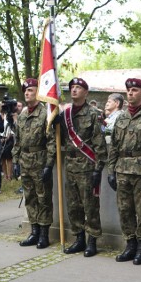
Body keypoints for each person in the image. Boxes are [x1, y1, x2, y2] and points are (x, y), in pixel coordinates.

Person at [107, 77, 141, 265]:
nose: (130, 93)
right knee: (124, 210)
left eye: (135, 90)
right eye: (129, 90)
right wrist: (110, 171)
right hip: (122, 170)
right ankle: (130, 245)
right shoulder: (121, 117)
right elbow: (114, 146)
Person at [60, 77, 106, 257]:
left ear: (86, 92)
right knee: (73, 206)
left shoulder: (94, 114)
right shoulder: (65, 114)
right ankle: (78, 239)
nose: (74, 90)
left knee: (90, 206)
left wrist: (98, 168)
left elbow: (99, 143)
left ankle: (92, 240)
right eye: (72, 87)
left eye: (78, 87)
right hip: (70, 165)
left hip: (87, 165)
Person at [13, 78, 56, 248]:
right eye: (26, 90)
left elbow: (51, 141)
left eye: (30, 90)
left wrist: (49, 164)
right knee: (30, 198)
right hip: (25, 161)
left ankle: (44, 234)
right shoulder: (23, 115)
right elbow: (17, 140)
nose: (27, 93)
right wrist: (16, 161)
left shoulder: (45, 113)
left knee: (43, 198)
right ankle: (34, 232)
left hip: (40, 161)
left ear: (38, 93)